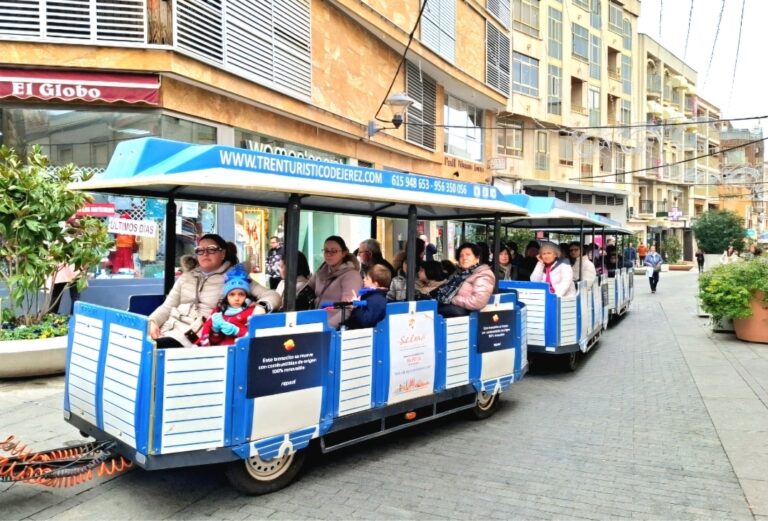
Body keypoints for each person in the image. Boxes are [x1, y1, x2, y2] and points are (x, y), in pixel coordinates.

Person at [149, 234, 280, 348]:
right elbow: (167, 307)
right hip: (168, 329)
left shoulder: (235, 279)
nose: (205, 253)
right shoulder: (186, 277)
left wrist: (262, 307)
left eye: (211, 249)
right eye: (200, 250)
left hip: (198, 338)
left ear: (222, 254)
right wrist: (152, 321)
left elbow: (272, 295)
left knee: (154, 350)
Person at [308, 235, 362, 328]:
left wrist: (327, 327)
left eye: (334, 251)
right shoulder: (321, 271)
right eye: (326, 251)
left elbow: (348, 308)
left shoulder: (351, 275)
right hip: (315, 321)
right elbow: (306, 290)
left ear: (344, 253)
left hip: (332, 328)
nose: (329, 254)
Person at [197, 265, 256, 346]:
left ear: (246, 296)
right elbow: (214, 342)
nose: (236, 298)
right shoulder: (219, 311)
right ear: (226, 296)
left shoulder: (252, 312)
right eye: (232, 294)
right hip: (222, 352)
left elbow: (256, 337)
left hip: (241, 351)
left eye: (241, 294)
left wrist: (237, 331)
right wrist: (215, 330)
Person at [434, 243, 496, 317]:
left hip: (464, 315)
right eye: (461, 256)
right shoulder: (460, 274)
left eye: (468, 255)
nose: (464, 258)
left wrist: (453, 299)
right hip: (449, 308)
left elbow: (478, 302)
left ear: (477, 258)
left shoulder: (483, 274)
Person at [345, 264, 391, 329]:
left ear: (375, 284)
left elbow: (366, 321)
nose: (364, 279)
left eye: (367, 278)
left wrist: (357, 306)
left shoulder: (377, 300)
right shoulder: (370, 296)